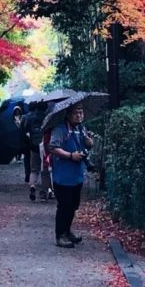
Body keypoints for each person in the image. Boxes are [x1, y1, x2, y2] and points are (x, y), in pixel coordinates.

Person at [48, 102, 93, 247]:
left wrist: (88, 141)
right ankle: (60, 235)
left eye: (81, 112)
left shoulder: (81, 129)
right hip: (63, 176)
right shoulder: (60, 130)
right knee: (64, 206)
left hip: (77, 175)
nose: (79, 115)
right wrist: (70, 155)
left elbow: (88, 145)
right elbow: (53, 147)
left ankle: (67, 231)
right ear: (68, 114)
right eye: (76, 113)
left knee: (73, 205)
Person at [23, 100, 48, 201]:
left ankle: (33, 185)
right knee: (45, 170)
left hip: (34, 145)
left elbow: (25, 131)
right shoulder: (48, 117)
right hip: (45, 146)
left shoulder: (30, 117)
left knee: (34, 169)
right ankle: (43, 193)